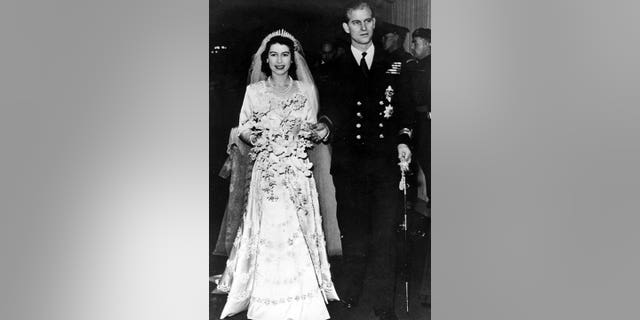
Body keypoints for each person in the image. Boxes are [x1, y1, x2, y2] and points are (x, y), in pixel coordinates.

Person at [214, 29, 339, 320]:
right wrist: (257, 137)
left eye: (285, 54)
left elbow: (311, 127)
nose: (279, 60)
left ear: (292, 59)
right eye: (274, 55)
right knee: (270, 229)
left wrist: (308, 133)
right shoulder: (254, 92)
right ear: (265, 59)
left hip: (297, 171)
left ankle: (303, 294)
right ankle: (266, 296)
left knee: (297, 229)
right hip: (268, 172)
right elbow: (242, 128)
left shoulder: (305, 90)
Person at [315, 2, 413, 319]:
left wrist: (404, 141)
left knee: (385, 234)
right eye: (356, 23)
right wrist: (326, 125)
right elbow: (331, 107)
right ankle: (352, 291)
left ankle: (385, 302)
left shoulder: (394, 64)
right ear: (347, 28)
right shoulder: (335, 66)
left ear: (374, 23)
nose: (363, 27)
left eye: (368, 21)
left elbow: (406, 110)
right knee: (354, 231)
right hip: (350, 165)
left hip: (385, 164)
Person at [401, 27, 431, 309]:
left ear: (430, 44)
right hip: (417, 124)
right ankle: (412, 206)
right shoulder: (412, 66)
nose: (414, 47)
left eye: (418, 43)